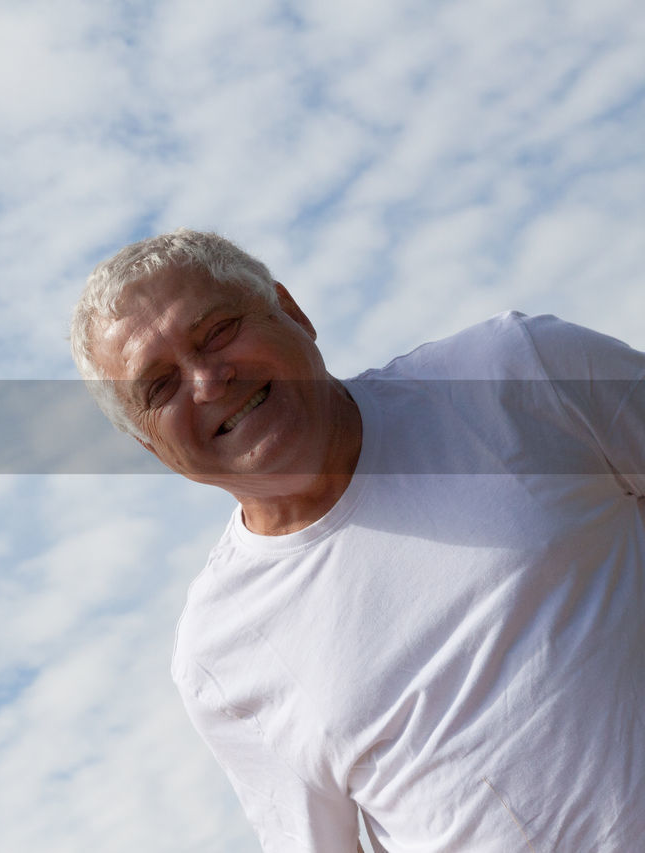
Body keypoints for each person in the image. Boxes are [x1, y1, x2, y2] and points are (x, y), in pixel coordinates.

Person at [70, 228, 645, 852]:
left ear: (292, 312)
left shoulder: (513, 371)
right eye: (159, 386)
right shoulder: (216, 652)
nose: (207, 381)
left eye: (217, 331)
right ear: (152, 446)